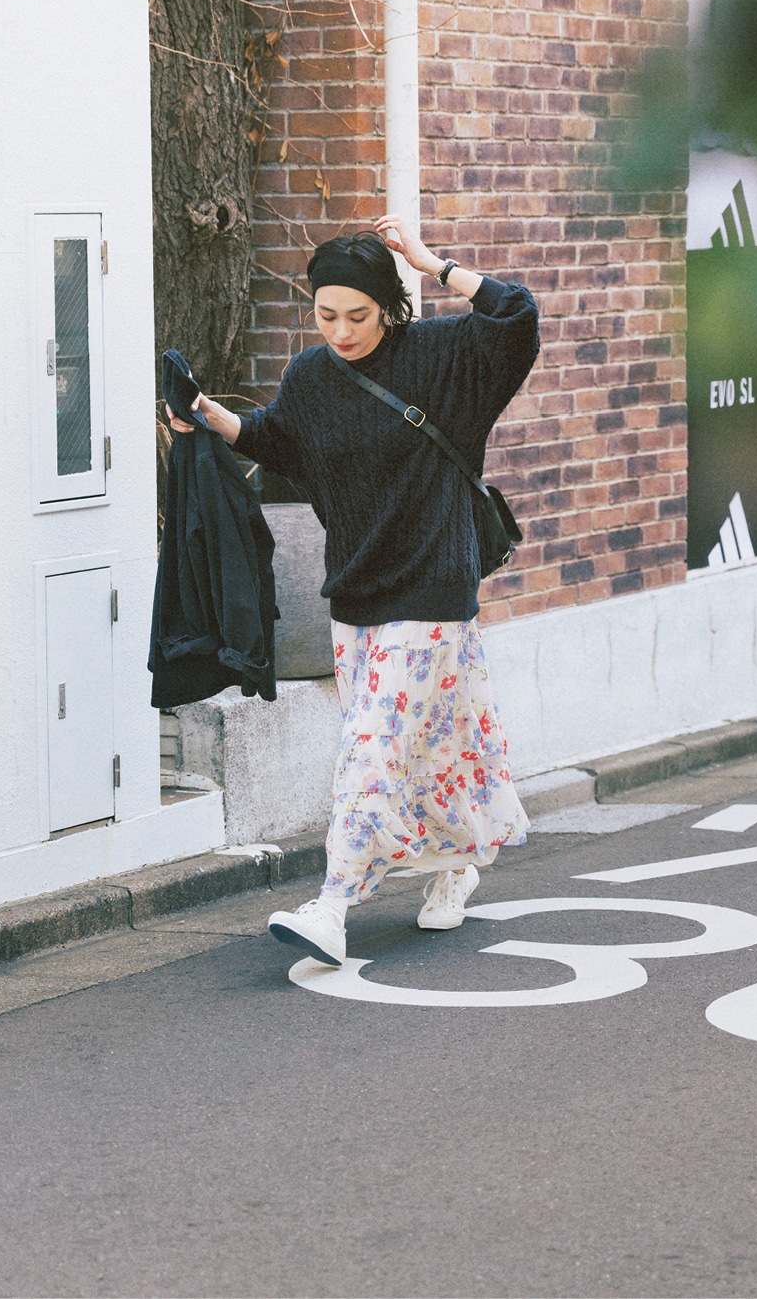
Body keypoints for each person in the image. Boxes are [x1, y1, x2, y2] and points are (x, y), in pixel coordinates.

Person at [165, 215, 539, 967]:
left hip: (432, 590)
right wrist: (207, 414)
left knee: (370, 753)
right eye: (326, 314)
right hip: (358, 599)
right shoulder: (313, 375)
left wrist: (431, 262)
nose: (340, 331)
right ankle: (453, 867)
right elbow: (276, 439)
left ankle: (333, 905)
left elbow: (515, 315)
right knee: (430, 749)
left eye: (358, 315)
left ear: (389, 308)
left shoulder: (445, 356)